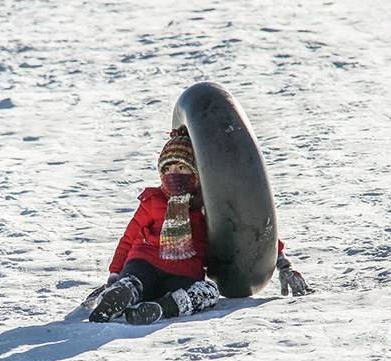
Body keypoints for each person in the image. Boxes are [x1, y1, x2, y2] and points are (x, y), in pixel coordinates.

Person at [89, 127, 312, 325]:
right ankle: (121, 293)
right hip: (145, 262)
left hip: (184, 274)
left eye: (181, 168)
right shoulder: (153, 200)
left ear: (197, 174)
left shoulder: (211, 208)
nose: (173, 174)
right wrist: (115, 274)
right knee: (135, 280)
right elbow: (129, 238)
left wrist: (283, 264)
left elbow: (250, 233)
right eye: (167, 169)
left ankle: (163, 308)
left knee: (208, 293)